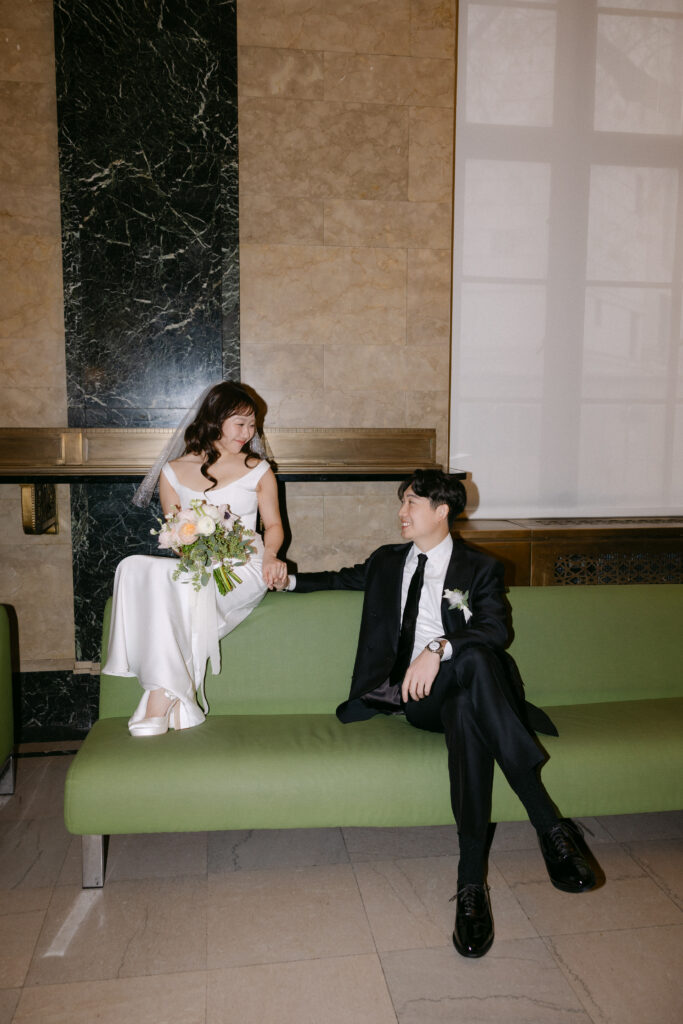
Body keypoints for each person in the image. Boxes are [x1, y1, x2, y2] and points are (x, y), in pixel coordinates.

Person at [276, 468, 598, 958]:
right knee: (467, 676)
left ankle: (471, 887)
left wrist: (440, 646)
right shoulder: (387, 562)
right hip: (417, 698)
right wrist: (282, 578)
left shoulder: (480, 568)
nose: (401, 513)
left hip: (472, 688)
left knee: (470, 686)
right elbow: (337, 580)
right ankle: (550, 824)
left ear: (441, 510)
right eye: (402, 503)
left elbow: (494, 632)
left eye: (411, 503)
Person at [103, 381, 288, 737]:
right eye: (240, 423)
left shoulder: (259, 469)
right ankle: (173, 701)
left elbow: (275, 525)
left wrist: (270, 556)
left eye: (253, 425)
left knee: (182, 591)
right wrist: (198, 547)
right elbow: (177, 536)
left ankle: (158, 698)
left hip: (244, 565)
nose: (248, 433)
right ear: (215, 419)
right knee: (135, 567)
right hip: (199, 563)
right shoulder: (172, 471)